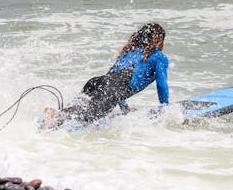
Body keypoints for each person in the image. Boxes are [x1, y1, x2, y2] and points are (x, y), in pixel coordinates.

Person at [41, 22, 169, 129]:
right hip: (110, 88)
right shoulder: (158, 57)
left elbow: (115, 80)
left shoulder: (129, 52)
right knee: (87, 116)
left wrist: (125, 109)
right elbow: (162, 85)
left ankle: (51, 120)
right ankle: (56, 114)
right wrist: (166, 109)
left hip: (96, 82)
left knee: (79, 110)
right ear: (159, 40)